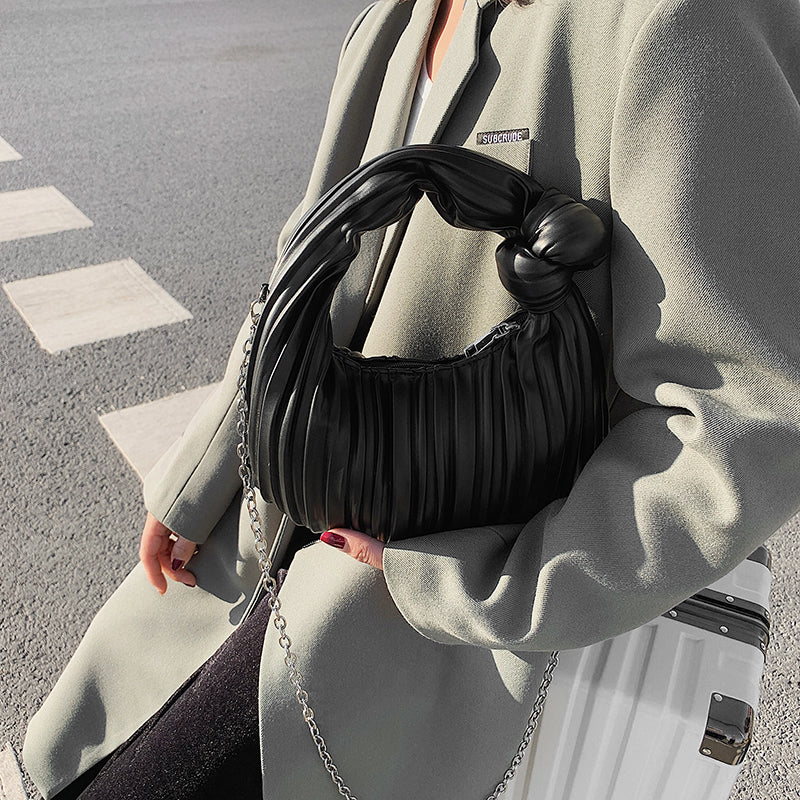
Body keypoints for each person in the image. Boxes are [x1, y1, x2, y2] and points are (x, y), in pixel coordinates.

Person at [23, 0, 800, 798]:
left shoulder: (684, 19)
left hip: (432, 630)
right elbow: (301, 268)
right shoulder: (394, 19)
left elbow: (743, 419)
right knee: (68, 762)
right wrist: (203, 475)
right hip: (270, 529)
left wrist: (480, 583)